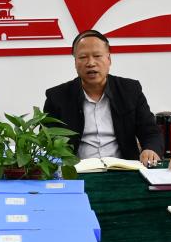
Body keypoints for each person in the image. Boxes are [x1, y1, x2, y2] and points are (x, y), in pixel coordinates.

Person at [43, 30, 164, 165]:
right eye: (83, 57)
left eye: (97, 56)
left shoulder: (130, 90)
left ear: (109, 59)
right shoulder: (57, 97)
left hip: (123, 169)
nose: (91, 63)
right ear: (75, 62)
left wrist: (150, 149)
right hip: (78, 171)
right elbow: (46, 142)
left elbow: (151, 132)